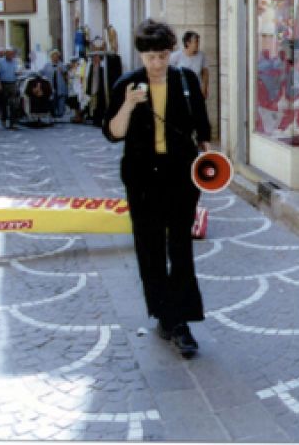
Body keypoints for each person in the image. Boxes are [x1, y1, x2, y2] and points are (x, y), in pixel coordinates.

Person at [102, 19, 211, 359]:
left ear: (170, 53)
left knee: (179, 248)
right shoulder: (126, 84)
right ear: (141, 56)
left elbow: (202, 130)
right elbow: (113, 132)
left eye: (163, 56)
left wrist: (210, 167)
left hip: (180, 177)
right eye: (150, 58)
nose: (157, 65)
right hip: (142, 179)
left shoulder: (187, 80)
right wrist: (129, 104)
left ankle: (181, 323)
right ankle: (165, 315)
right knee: (149, 249)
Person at [170, 31, 209, 99]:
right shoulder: (175, 56)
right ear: (188, 43)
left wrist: (204, 88)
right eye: (196, 42)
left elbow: (205, 72)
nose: (198, 44)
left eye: (198, 42)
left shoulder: (201, 56)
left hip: (196, 90)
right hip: (180, 92)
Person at [0, 47, 21, 129]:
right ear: (5, 54)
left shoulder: (15, 62)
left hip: (13, 83)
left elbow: (17, 71)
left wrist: (18, 73)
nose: (11, 55)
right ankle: (3, 119)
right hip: (3, 83)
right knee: (3, 103)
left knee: (13, 103)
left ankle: (12, 123)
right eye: (9, 54)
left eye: (12, 54)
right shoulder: (0, 62)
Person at [41, 49, 68, 118]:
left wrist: (62, 72)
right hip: (50, 86)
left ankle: (60, 114)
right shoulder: (47, 65)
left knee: (61, 102)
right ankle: (53, 114)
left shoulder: (62, 65)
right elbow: (41, 73)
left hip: (60, 86)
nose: (55, 58)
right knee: (52, 101)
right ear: (51, 57)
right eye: (54, 56)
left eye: (57, 56)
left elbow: (66, 76)